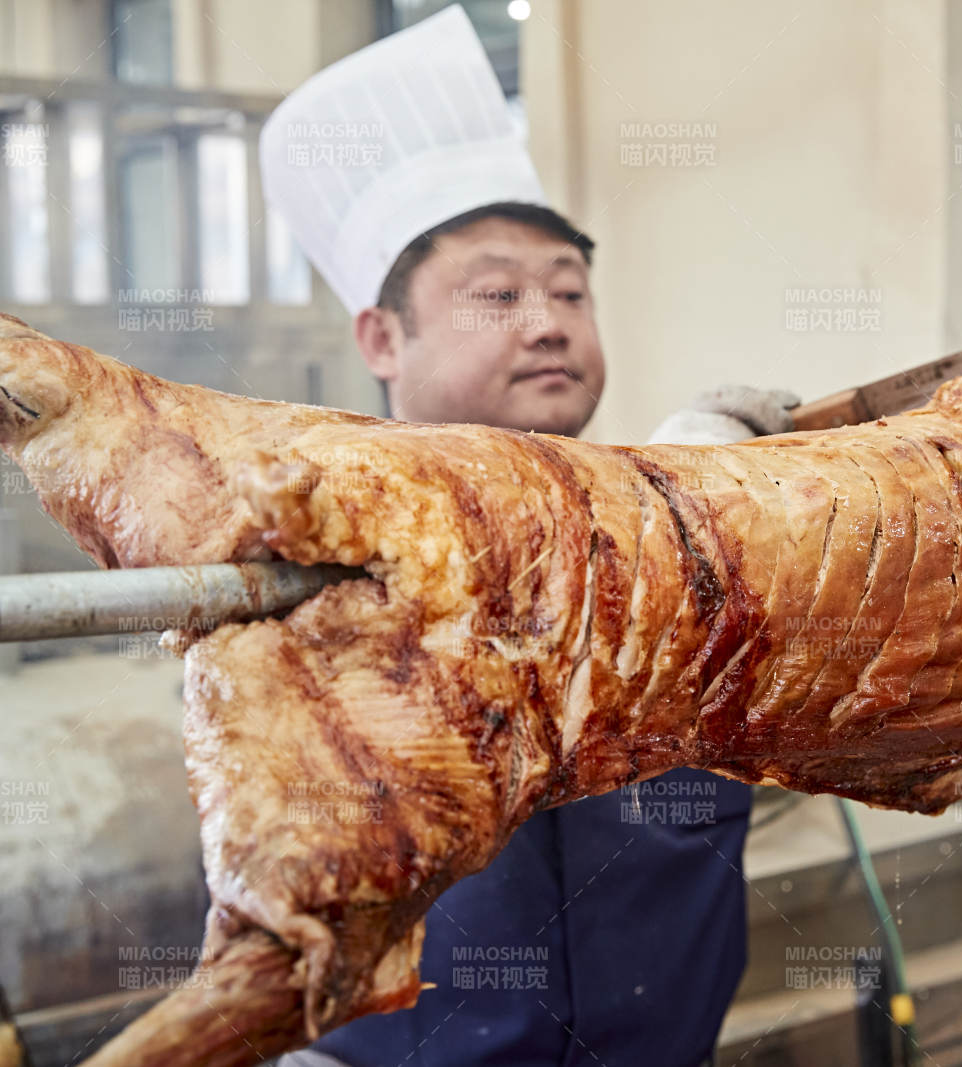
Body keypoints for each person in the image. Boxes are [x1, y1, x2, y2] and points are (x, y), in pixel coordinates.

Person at [261, 8, 791, 1064]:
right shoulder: (304, 569)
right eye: (497, 292)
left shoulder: (686, 557)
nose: (546, 319)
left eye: (569, 291)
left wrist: (711, 490)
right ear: (381, 334)